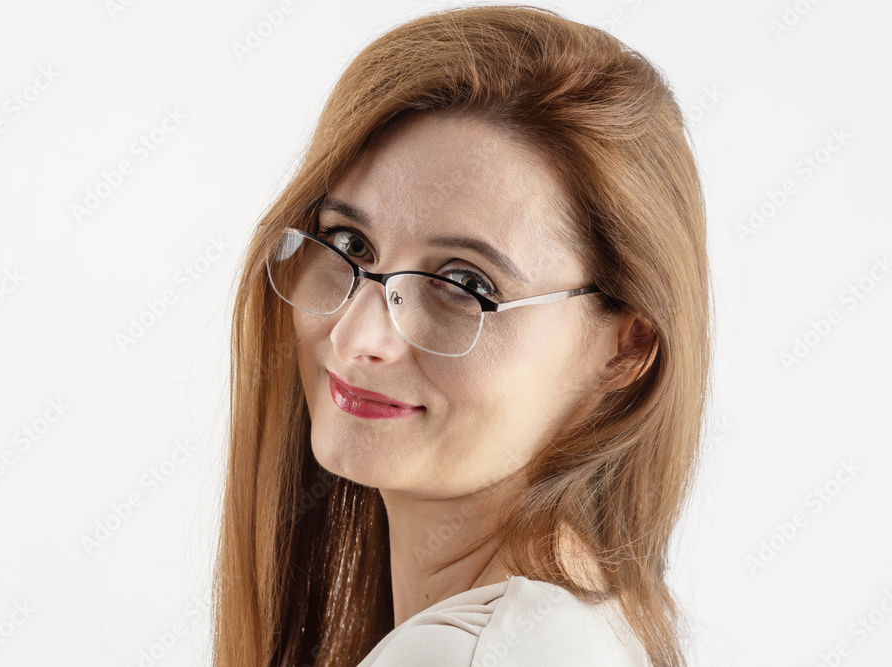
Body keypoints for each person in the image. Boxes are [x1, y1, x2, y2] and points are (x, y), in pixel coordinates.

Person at [211, 5, 710, 666]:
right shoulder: (587, 628)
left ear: (626, 347)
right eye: (348, 241)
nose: (360, 336)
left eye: (465, 284)